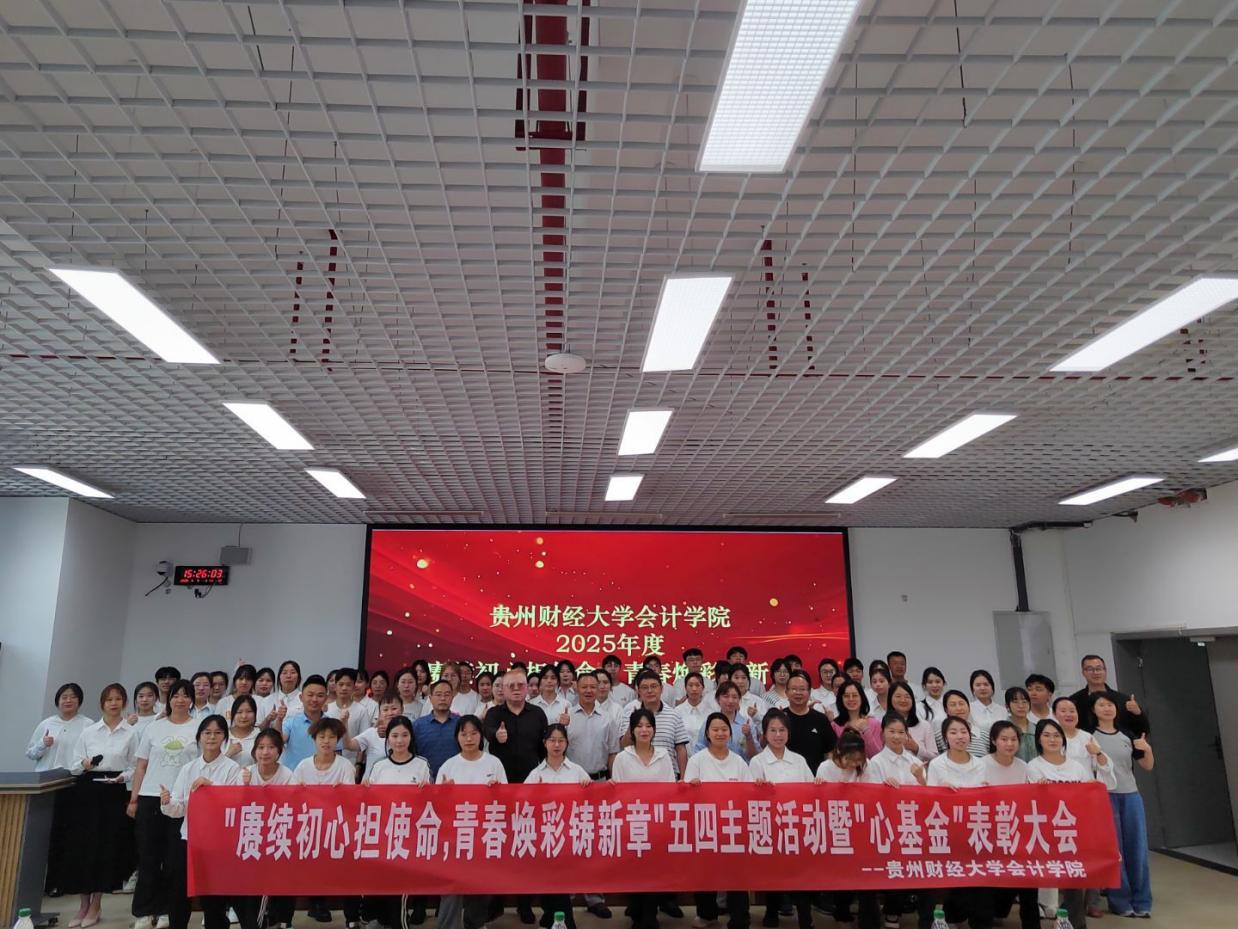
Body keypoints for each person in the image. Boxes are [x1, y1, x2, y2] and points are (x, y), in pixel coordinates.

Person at [1026, 719, 1116, 929]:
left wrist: (1091, 787)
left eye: (1056, 735)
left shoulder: (1076, 766)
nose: (1052, 739)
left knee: (1075, 878)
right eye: (1046, 735)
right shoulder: (1033, 766)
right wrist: (1039, 790)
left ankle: (1076, 923)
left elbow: (1091, 795)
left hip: (1074, 830)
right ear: (1038, 739)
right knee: (1051, 878)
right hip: (1046, 831)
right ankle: (1054, 914)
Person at [159, 715, 244, 929]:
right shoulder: (188, 768)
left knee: (213, 896)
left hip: (218, 842)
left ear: (225, 737)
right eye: (207, 733)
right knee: (179, 891)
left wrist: (211, 787)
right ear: (199, 737)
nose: (212, 737)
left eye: (217, 733)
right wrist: (167, 802)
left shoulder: (232, 768)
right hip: (189, 838)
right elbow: (178, 809)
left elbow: (234, 803)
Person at [64, 684, 136, 928]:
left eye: (118, 699)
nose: (113, 703)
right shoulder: (89, 732)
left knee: (106, 847)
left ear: (124, 703)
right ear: (102, 703)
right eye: (109, 700)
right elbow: (74, 765)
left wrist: (123, 777)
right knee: (84, 847)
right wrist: (84, 764)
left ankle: (96, 903)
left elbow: (135, 766)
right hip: (87, 791)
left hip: (114, 791)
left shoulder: (131, 733)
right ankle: (83, 904)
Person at [128, 679, 199, 929]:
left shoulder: (199, 727)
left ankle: (170, 910)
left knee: (175, 860)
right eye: (175, 695)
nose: (180, 700)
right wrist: (134, 798)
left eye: (185, 695)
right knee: (148, 857)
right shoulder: (154, 728)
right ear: (168, 699)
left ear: (192, 700)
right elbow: (141, 765)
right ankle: (144, 911)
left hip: (182, 801)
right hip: (150, 797)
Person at [863, 715, 932, 929]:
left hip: (914, 824)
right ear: (882, 733)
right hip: (889, 825)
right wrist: (884, 787)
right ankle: (892, 911)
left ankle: (924, 917)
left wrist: (920, 779)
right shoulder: (875, 762)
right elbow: (870, 796)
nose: (896, 736)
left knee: (919, 870)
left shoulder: (914, 761)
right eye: (891, 731)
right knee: (894, 869)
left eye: (901, 732)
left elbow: (929, 796)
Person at [437, 716, 507, 929]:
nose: (469, 738)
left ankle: (475, 924)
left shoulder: (494, 763)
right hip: (455, 836)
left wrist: (497, 791)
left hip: (484, 834)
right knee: (451, 887)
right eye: (464, 734)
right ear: (457, 737)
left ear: (481, 736)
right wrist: (443, 793)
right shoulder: (449, 765)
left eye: (474, 733)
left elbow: (506, 799)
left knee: (481, 885)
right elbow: (436, 807)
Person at [1090, 694, 1155, 917]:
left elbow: (1147, 765)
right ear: (1093, 710)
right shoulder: (1089, 736)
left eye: (1110, 705)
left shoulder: (1127, 734)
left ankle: (1142, 901)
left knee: (1137, 848)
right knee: (1114, 852)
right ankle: (1120, 902)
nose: (1107, 708)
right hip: (1105, 797)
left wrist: (1147, 749)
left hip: (1131, 796)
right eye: (1101, 705)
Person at [685, 713, 752, 929]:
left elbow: (749, 793)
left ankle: (739, 917)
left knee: (736, 875)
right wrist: (692, 787)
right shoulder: (697, 760)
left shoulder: (739, 761)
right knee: (705, 873)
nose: (720, 733)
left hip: (733, 827)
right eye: (715, 729)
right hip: (705, 826)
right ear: (707, 733)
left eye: (724, 729)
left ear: (730, 733)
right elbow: (685, 795)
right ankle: (707, 915)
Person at [29, 681, 94, 897]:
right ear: (57, 700)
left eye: (73, 697)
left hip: (72, 783)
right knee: (42, 834)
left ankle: (60, 882)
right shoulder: (47, 723)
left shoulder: (87, 725)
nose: (68, 700)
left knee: (67, 834)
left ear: (79, 701)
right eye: (64, 697)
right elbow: (31, 753)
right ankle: (35, 883)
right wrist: (43, 744)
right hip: (45, 785)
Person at [749, 711, 812, 929]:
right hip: (771, 826)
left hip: (797, 825)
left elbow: (811, 790)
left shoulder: (799, 760)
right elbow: (751, 797)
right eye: (773, 730)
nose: (778, 735)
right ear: (764, 734)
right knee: (773, 872)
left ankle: (805, 918)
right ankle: (771, 911)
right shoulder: (757, 762)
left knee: (800, 874)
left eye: (782, 730)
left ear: (788, 733)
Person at [611, 710, 674, 929]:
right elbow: (617, 793)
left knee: (654, 871)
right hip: (632, 824)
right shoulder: (622, 758)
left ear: (654, 729)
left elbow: (670, 789)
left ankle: (650, 915)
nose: (644, 730)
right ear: (632, 730)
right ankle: (637, 911)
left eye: (648, 726)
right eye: (639, 726)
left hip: (657, 824)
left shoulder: (663, 756)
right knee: (634, 870)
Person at [971, 724, 1038, 929]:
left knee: (1027, 876)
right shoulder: (981, 764)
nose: (1009, 744)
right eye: (1004, 739)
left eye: (1013, 739)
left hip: (1017, 832)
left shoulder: (1024, 766)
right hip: (987, 832)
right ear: (993, 741)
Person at [240, 730, 293, 929]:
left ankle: (282, 921)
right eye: (261, 747)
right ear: (254, 750)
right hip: (252, 837)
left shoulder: (287, 775)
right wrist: (245, 786)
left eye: (271, 747)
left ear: (279, 751)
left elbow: (292, 805)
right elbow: (234, 805)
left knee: (280, 882)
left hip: (278, 837)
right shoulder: (246, 773)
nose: (265, 752)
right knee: (254, 886)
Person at [619, 670, 689, 777]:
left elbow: (681, 749)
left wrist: (683, 777)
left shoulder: (674, 715)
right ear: (638, 691)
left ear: (661, 689)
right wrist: (633, 722)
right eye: (644, 687)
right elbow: (624, 745)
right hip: (635, 776)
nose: (649, 691)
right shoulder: (629, 713)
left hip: (666, 776)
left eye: (654, 686)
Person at [1068, 656, 1149, 736]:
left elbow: (1143, 731)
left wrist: (1138, 713)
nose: (1095, 672)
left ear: (1105, 671)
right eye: (1090, 669)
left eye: (1099, 668)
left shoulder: (1123, 700)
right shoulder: (1074, 701)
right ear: (1083, 672)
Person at [566, 672, 618, 782]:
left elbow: (612, 754)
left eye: (593, 687)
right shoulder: (566, 717)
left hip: (600, 780)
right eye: (584, 687)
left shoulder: (608, 719)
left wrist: (614, 779)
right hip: (572, 781)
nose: (588, 690)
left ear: (598, 689)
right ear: (577, 689)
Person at [783, 670, 836, 774]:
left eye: (802, 689)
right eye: (794, 689)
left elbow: (830, 752)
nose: (798, 693)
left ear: (809, 692)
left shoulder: (821, 719)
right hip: (785, 778)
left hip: (816, 779)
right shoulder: (780, 718)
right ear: (786, 692)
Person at [690, 682, 757, 759]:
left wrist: (748, 736)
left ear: (739, 700)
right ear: (717, 699)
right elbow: (700, 749)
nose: (730, 701)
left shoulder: (747, 723)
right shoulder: (709, 722)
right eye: (726, 696)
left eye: (734, 697)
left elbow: (754, 756)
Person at [276, 674, 330, 771]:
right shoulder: (291, 721)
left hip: (322, 777)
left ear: (326, 698)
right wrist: (279, 720)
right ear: (301, 697)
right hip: (293, 776)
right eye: (310, 695)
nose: (314, 699)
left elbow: (337, 755)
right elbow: (279, 741)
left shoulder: (331, 725)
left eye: (320, 696)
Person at [412, 680, 461, 779]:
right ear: (430, 698)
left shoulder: (461, 723)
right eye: (438, 695)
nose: (443, 698)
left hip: (456, 780)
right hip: (425, 781)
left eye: (447, 695)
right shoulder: (418, 725)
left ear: (452, 697)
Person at [366, 716, 430, 785]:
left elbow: (432, 790)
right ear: (388, 738)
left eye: (405, 735)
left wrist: (427, 787)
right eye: (395, 736)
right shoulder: (378, 765)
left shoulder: (422, 765)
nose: (399, 740)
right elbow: (370, 791)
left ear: (411, 737)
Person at [926, 717, 985, 787]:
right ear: (945, 738)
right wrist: (942, 790)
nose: (960, 736)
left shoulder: (980, 764)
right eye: (953, 733)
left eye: (964, 732)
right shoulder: (936, 764)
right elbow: (931, 792)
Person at [887, 682, 936, 762]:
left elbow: (935, 757)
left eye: (907, 697)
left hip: (920, 769)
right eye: (898, 696)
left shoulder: (924, 725)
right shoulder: (883, 724)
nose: (903, 700)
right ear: (890, 699)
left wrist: (916, 748)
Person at [831, 681, 882, 757]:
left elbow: (877, 756)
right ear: (841, 699)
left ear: (862, 698)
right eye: (846, 696)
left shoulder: (874, 723)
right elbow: (834, 755)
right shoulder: (835, 725)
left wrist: (866, 730)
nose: (851, 699)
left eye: (855, 695)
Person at [934, 690, 989, 757]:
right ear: (946, 710)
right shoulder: (939, 735)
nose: (959, 708)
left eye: (961, 703)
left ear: (969, 707)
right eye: (953, 705)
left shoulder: (984, 734)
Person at [674, 672, 714, 741]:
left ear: (703, 688)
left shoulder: (710, 713)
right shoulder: (677, 712)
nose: (694, 689)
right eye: (690, 685)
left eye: (697, 685)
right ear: (685, 688)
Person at [1003, 687, 1037, 761]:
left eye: (1024, 702)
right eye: (1015, 702)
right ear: (1007, 706)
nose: (1021, 706)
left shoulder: (1037, 728)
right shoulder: (1002, 729)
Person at [225, 695, 259, 767]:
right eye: (239, 712)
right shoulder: (223, 735)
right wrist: (229, 753)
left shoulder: (260, 737)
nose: (244, 716)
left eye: (249, 711)